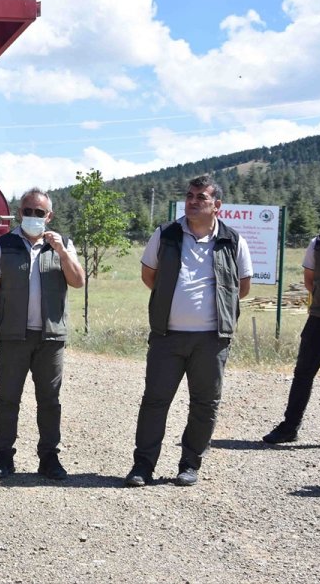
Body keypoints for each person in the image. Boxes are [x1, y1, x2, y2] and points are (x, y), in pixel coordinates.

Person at [126, 175, 252, 487]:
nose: (193, 201)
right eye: (190, 195)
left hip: (212, 339)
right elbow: (149, 275)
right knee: (155, 401)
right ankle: (142, 466)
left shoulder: (233, 240)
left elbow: (242, 287)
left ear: (217, 205)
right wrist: (174, 300)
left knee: (204, 403)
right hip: (167, 336)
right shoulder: (166, 235)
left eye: (201, 197)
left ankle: (190, 464)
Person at [0, 187, 85, 480]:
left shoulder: (62, 244)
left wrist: (63, 252)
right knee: (8, 398)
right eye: (28, 211)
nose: (33, 217)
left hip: (50, 338)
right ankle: (3, 457)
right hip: (14, 335)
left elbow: (77, 281)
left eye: (40, 213)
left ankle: (49, 458)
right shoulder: (4, 245)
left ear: (49, 216)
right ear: (19, 212)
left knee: (50, 400)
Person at [262, 202, 320, 449]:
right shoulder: (318, 243)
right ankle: (289, 427)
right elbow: (309, 279)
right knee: (302, 374)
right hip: (318, 319)